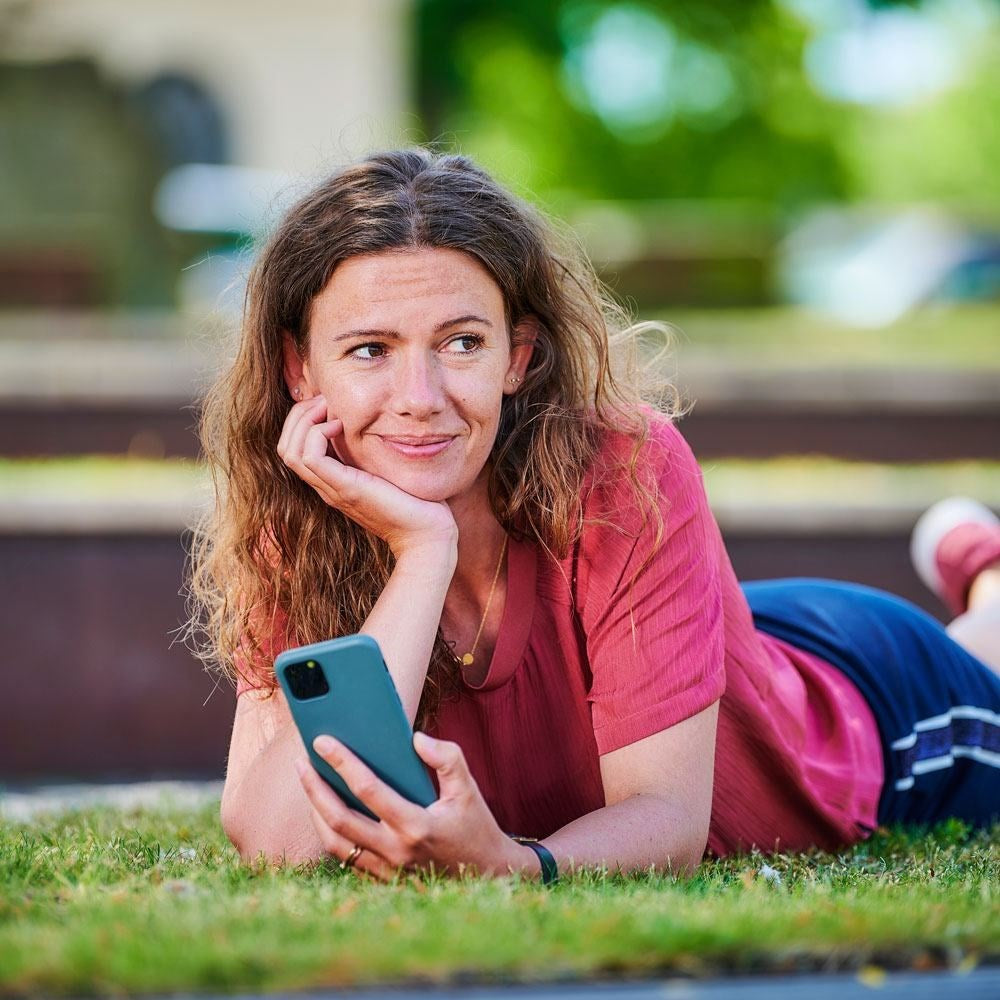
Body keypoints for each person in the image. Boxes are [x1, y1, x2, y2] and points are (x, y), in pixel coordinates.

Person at [186, 148, 1000, 883]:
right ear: (300, 369)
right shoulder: (302, 515)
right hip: (706, 643)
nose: (420, 401)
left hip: (871, 710)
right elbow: (279, 838)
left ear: (521, 354)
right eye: (370, 350)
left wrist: (517, 868)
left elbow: (669, 822)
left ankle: (986, 578)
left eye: (462, 343)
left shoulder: (624, 473)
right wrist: (423, 552)